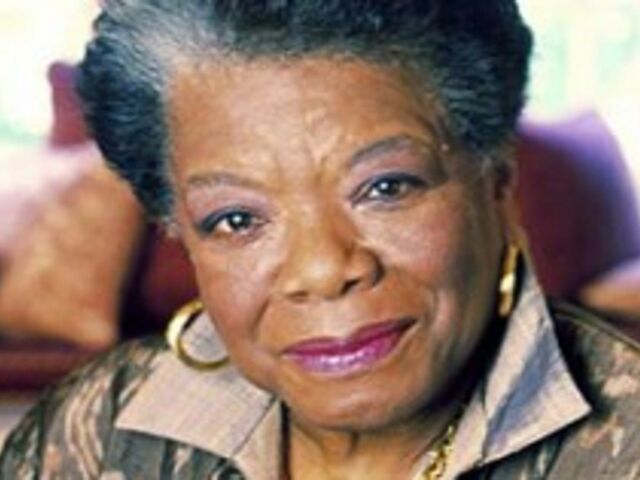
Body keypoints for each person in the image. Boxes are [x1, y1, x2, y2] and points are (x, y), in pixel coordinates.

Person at [2, 1, 639, 478]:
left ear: (496, 182)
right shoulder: (98, 426)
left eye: (385, 187)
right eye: (236, 219)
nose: (323, 269)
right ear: (182, 234)